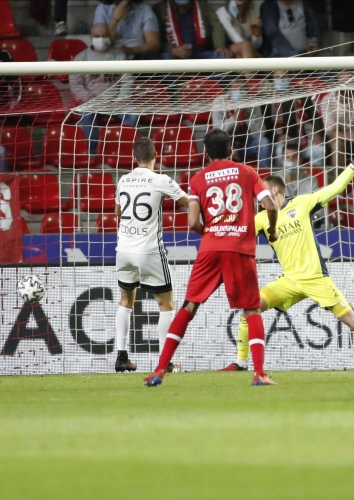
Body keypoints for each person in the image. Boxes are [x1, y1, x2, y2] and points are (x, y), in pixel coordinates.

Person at [220, 136, 354, 372]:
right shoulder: (260, 219)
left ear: (275, 190)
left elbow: (335, 188)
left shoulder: (302, 203)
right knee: (250, 308)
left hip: (316, 279)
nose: (258, 198)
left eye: (261, 193)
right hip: (289, 281)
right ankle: (240, 363)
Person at [144, 129, 279, 387]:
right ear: (231, 150)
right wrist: (271, 230)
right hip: (239, 248)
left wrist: (211, 233)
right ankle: (259, 373)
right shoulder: (247, 172)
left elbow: (193, 220)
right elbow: (270, 205)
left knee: (189, 306)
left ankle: (160, 370)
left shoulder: (198, 179)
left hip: (210, 248)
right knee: (251, 308)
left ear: (206, 154)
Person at [114, 137, 190, 373]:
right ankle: (164, 362)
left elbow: (117, 212)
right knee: (166, 304)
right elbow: (188, 202)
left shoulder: (123, 180)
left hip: (123, 249)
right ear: (156, 155)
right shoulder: (161, 180)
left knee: (126, 301)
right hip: (148, 251)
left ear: (134, 158)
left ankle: (121, 357)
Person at [71, 24, 138, 154]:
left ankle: (124, 149)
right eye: (97, 36)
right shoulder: (81, 58)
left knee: (133, 113)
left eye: (104, 36)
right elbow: (76, 84)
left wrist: (121, 99)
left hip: (116, 102)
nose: (100, 39)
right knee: (86, 113)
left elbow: (127, 79)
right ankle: (93, 153)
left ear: (109, 37)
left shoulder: (119, 55)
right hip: (91, 101)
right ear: (91, 37)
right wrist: (90, 99)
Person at [212, 76, 272, 167]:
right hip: (225, 145)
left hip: (246, 144)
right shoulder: (219, 102)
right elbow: (218, 131)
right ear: (229, 89)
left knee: (264, 142)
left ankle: (264, 174)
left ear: (246, 89)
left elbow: (261, 133)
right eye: (235, 88)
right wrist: (235, 117)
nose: (239, 91)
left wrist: (248, 117)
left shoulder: (253, 103)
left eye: (242, 88)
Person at [153, 0, 233, 60]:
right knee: (166, 59)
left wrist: (219, 45)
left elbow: (215, 25)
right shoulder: (159, 8)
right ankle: (175, 83)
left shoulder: (202, 4)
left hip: (201, 52)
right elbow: (154, 40)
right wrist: (172, 49)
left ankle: (221, 82)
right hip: (174, 54)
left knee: (221, 56)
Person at [94, 0, 160, 59]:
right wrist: (115, 19)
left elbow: (154, 44)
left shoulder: (145, 10)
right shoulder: (102, 9)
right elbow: (102, 43)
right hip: (110, 53)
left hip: (137, 54)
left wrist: (130, 50)